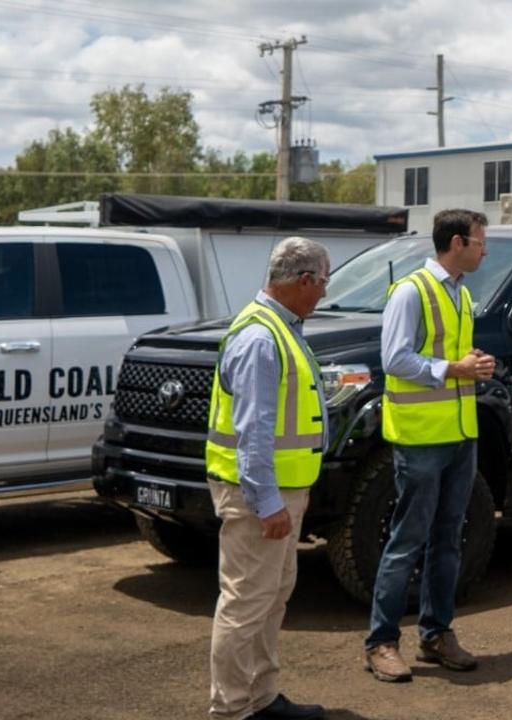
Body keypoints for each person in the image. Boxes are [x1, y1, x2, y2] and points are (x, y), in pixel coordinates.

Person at [364, 209, 496, 683]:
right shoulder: (411, 291)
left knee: (448, 540)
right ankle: (381, 642)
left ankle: (436, 633)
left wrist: (472, 364)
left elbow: (446, 357)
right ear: (457, 242)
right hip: (420, 438)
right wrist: (454, 369)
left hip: (460, 436)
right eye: (481, 241)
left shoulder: (459, 292)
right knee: (407, 541)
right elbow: (395, 359)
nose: (485, 249)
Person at [205, 237, 331, 720]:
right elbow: (253, 432)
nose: (323, 293)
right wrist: (267, 502)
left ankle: (260, 697)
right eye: (322, 282)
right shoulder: (262, 337)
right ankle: (232, 710)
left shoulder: (281, 329)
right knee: (246, 603)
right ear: (303, 281)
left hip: (280, 492)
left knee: (270, 598)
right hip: (259, 497)